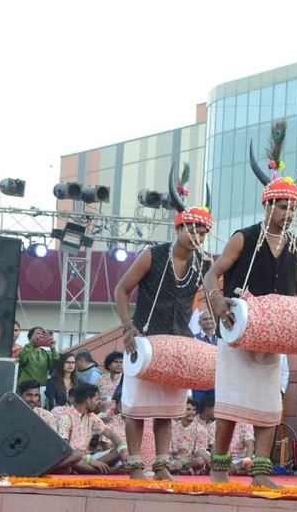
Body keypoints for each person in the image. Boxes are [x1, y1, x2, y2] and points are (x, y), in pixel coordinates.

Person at [203, 125, 297, 488]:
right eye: (283, 205)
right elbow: (211, 277)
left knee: (269, 405)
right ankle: (219, 467)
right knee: (231, 403)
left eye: (293, 206)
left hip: (273, 337)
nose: (289, 212)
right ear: (267, 205)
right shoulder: (243, 238)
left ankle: (261, 473)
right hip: (236, 330)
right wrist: (218, 304)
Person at [115, 196, 213, 481]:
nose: (199, 237)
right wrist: (126, 327)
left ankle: (161, 467)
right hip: (143, 342)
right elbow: (122, 290)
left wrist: (216, 313)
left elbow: (210, 295)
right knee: (135, 408)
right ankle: (134, 467)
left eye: (204, 233)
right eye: (194, 230)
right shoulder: (152, 255)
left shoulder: (203, 262)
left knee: (167, 410)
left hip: (179, 343)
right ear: (178, 228)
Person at [54, 383, 128, 474]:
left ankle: (96, 470)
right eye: (96, 399)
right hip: (75, 458)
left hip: (88, 459)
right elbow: (64, 449)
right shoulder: (66, 416)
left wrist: (124, 450)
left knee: (118, 449)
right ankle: (106, 472)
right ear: (88, 400)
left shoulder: (91, 416)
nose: (98, 403)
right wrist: (88, 460)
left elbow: (111, 435)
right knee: (75, 457)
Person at [170, 397, 210, 475]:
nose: (191, 412)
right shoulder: (173, 428)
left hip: (191, 462)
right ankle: (179, 471)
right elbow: (168, 452)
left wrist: (182, 463)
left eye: (194, 410)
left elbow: (199, 453)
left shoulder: (201, 429)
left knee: (200, 461)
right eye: (188, 409)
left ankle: (184, 470)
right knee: (164, 460)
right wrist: (174, 462)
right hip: (174, 462)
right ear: (181, 411)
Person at [192, 310, 217, 403]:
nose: (209, 321)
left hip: (217, 383)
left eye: (210, 318)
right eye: (205, 319)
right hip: (199, 384)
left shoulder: (221, 338)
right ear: (199, 323)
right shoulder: (194, 338)